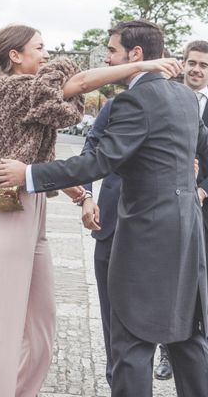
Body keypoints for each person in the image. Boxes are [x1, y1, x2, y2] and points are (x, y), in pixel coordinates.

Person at [0, 19, 208, 397]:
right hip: (188, 228)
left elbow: (99, 161)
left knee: (131, 343)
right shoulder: (185, 97)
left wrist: (29, 174)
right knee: (186, 337)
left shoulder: (136, 99)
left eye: (111, 51)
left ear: (136, 55)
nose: (107, 58)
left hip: (147, 235)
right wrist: (179, 157)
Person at [155, 40, 208, 385]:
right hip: (168, 210)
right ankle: (167, 355)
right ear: (183, 63)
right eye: (191, 63)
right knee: (169, 282)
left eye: (202, 65)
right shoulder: (164, 101)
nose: (195, 69)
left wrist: (203, 191)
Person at [79, 97, 118, 388]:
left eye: (112, 50)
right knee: (110, 309)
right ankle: (116, 376)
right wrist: (87, 195)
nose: (107, 58)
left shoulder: (178, 103)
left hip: (158, 229)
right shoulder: (113, 106)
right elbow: (91, 147)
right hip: (111, 219)